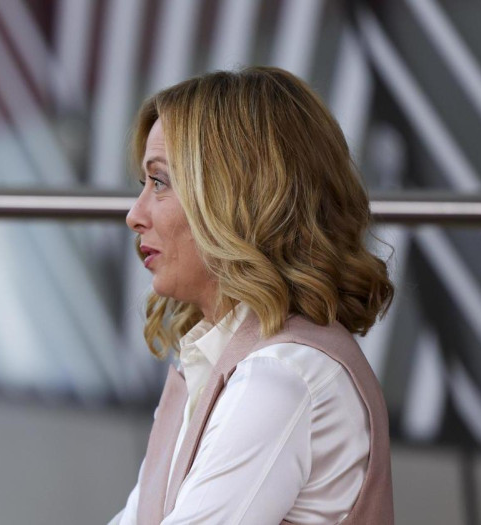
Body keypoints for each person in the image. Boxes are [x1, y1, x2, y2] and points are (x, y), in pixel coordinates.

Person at [110, 67, 395, 524]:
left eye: (159, 182)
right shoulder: (227, 362)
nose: (135, 214)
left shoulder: (280, 376)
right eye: (143, 184)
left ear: (234, 198)